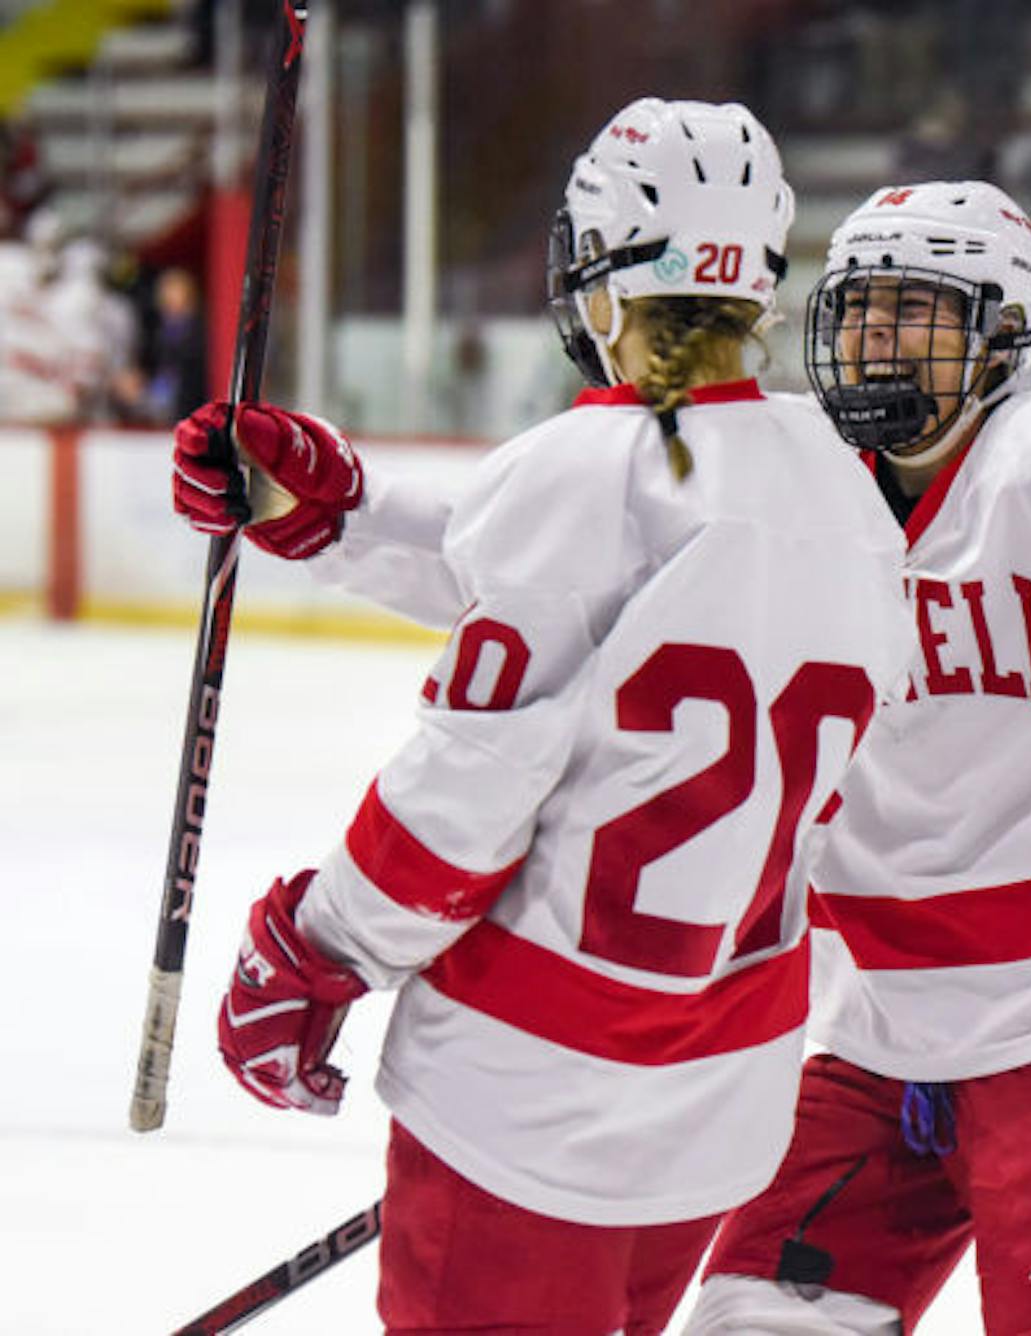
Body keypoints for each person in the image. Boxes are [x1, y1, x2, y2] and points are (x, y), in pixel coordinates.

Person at [179, 178, 1031, 1333]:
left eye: (922, 313)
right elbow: (545, 569)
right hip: (864, 1041)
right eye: (863, 307)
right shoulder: (788, 479)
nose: (881, 341)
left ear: (1004, 338)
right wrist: (328, 511)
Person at [172, 98, 911, 1334]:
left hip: (525, 1098)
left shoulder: (583, 471)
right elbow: (608, 623)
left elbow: (462, 798)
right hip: (712, 1104)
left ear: (603, 273)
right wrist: (336, 514)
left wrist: (317, 947)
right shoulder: (840, 492)